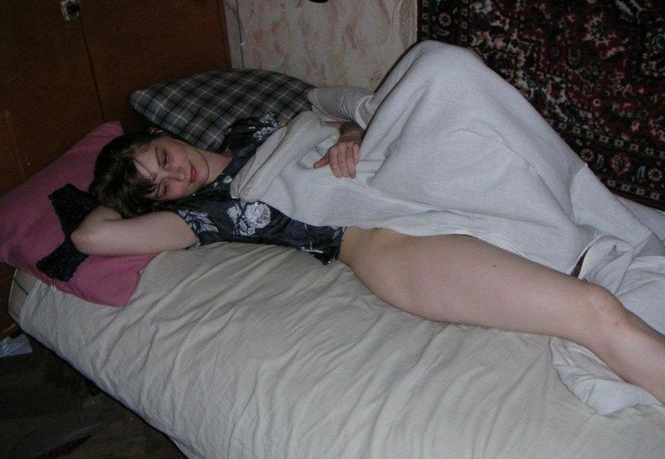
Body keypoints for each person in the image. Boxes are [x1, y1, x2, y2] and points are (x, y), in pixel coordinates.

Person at [73, 41, 665, 407]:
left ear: (164, 134)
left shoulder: (253, 127)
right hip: (384, 243)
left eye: (163, 159)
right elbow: (92, 236)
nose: (176, 175)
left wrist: (353, 133)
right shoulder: (207, 213)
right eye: (162, 187)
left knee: (440, 65)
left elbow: (334, 105)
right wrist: (121, 195)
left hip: (398, 176)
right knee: (593, 309)